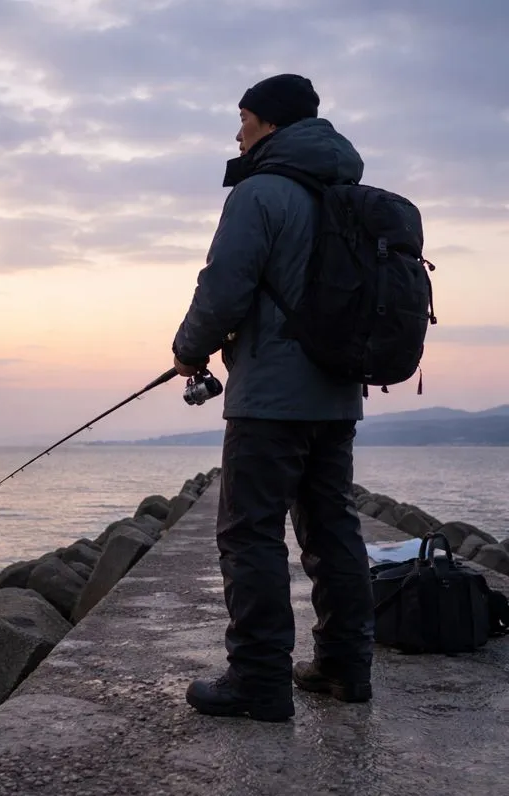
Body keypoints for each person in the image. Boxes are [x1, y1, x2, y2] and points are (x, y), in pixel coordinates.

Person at [171, 74, 375, 723]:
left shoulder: (260, 191)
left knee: (249, 532)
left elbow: (224, 286)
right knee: (332, 527)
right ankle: (345, 666)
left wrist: (188, 350)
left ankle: (259, 680)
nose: (237, 133)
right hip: (337, 394)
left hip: (270, 398)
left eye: (244, 118)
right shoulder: (348, 195)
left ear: (271, 123)